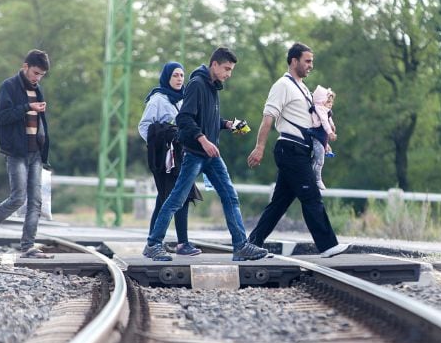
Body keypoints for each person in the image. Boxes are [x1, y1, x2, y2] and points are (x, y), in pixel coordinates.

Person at [143, 47, 268, 261]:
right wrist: (203, 140)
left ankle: (240, 246)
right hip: (194, 154)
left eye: (231, 70)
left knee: (230, 196)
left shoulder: (213, 87)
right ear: (214, 65)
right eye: (227, 69)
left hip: (212, 156)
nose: (229, 74)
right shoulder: (197, 85)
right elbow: (184, 119)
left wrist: (228, 124)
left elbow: (206, 121)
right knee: (175, 199)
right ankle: (154, 244)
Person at [246, 42, 350, 258]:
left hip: (301, 149)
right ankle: (327, 245)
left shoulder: (302, 87)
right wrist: (259, 147)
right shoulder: (282, 85)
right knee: (311, 196)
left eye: (312, 61)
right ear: (294, 61)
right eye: (307, 61)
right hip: (289, 149)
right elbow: (268, 119)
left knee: (278, 204)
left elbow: (307, 121)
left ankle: (250, 244)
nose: (311, 65)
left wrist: (322, 142)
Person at [0, 49, 52, 258]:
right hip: (16, 152)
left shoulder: (38, 89)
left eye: (41, 75)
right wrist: (28, 106)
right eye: (35, 73)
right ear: (25, 66)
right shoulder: (8, 86)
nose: (37, 78)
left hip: (35, 151)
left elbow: (38, 121)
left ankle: (28, 246)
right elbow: (3, 117)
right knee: (18, 198)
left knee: (35, 201)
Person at [138, 61, 203, 257]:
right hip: (164, 159)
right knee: (178, 197)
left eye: (182, 75)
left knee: (164, 200)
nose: (179, 79)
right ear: (167, 76)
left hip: (182, 156)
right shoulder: (158, 99)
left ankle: (152, 242)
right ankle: (182, 243)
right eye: (175, 75)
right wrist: (160, 143)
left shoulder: (185, 99)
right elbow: (144, 126)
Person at [310, 85, 337, 190]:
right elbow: (324, 121)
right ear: (321, 101)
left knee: (315, 160)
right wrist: (330, 132)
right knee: (320, 160)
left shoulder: (324, 109)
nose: (330, 105)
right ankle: (317, 179)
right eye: (328, 102)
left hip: (321, 137)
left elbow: (328, 119)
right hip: (317, 136)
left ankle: (311, 175)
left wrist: (332, 125)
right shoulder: (320, 109)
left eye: (331, 103)